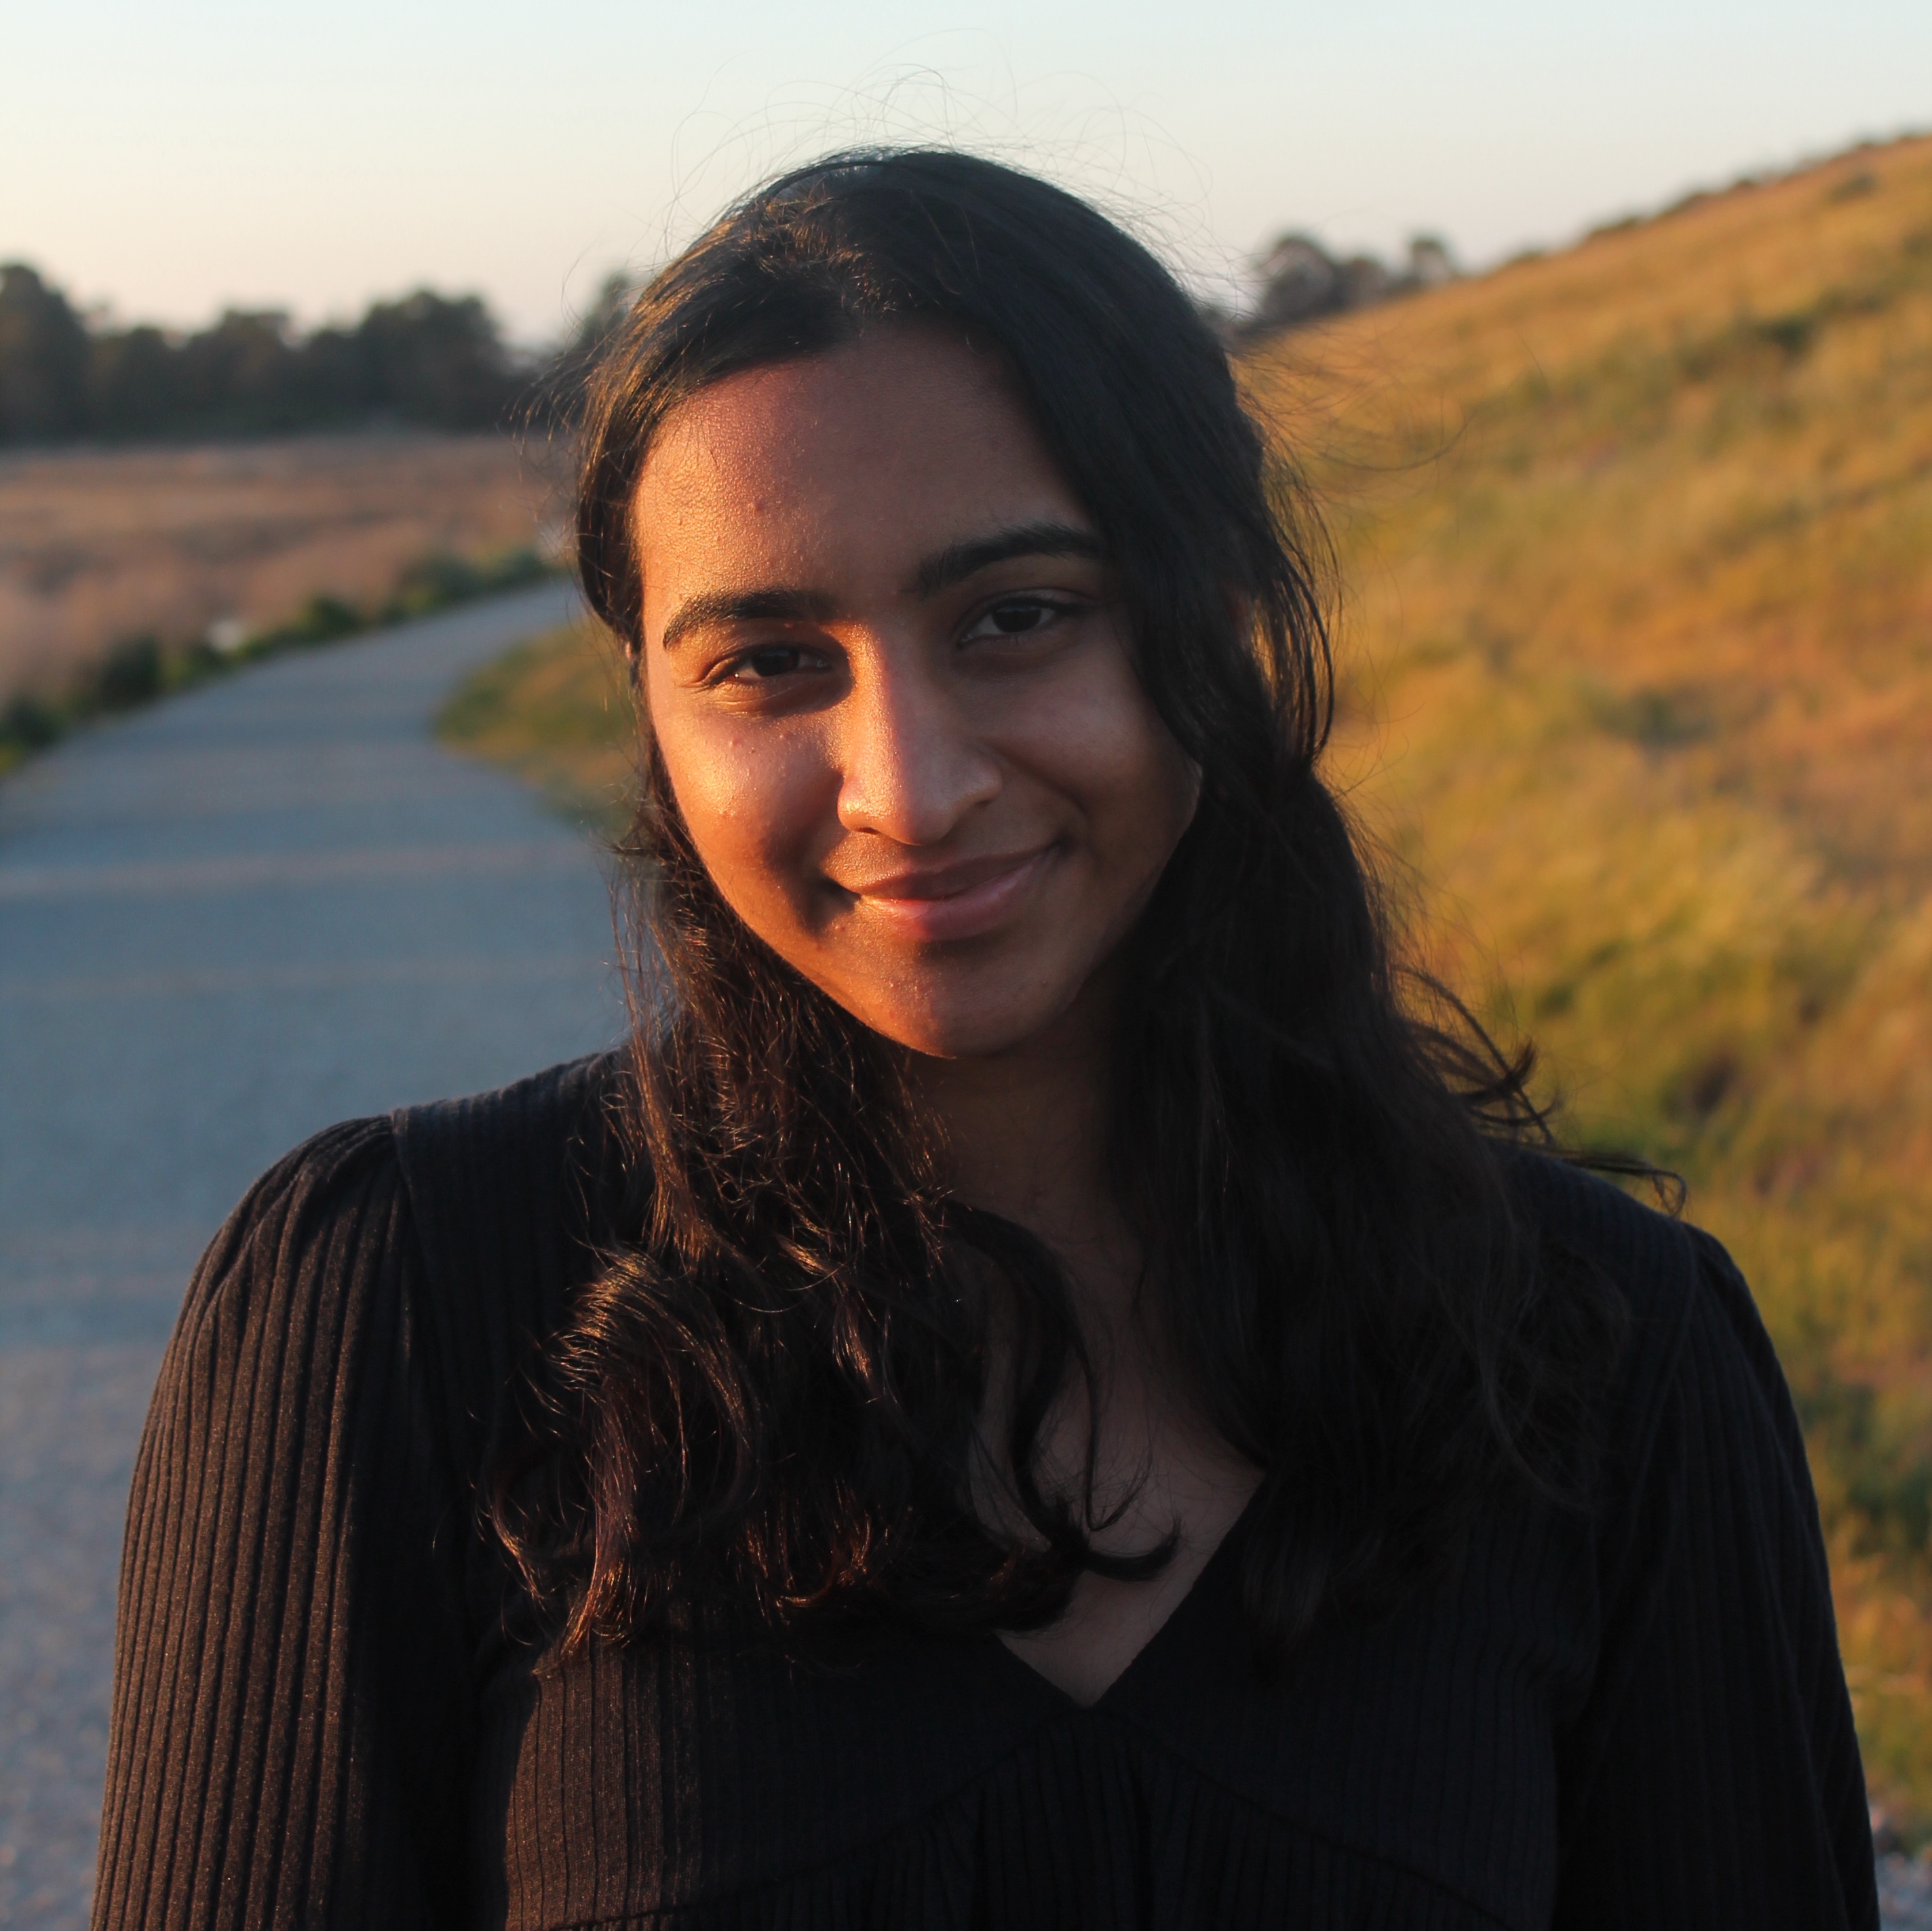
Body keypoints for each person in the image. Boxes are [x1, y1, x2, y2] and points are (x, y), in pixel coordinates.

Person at [92, 151, 1877, 1929]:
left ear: (1220, 617)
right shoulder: (401, 1311)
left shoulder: (1608, 1366)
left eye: (1018, 617)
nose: (912, 787)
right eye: (772, 663)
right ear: (653, 715)